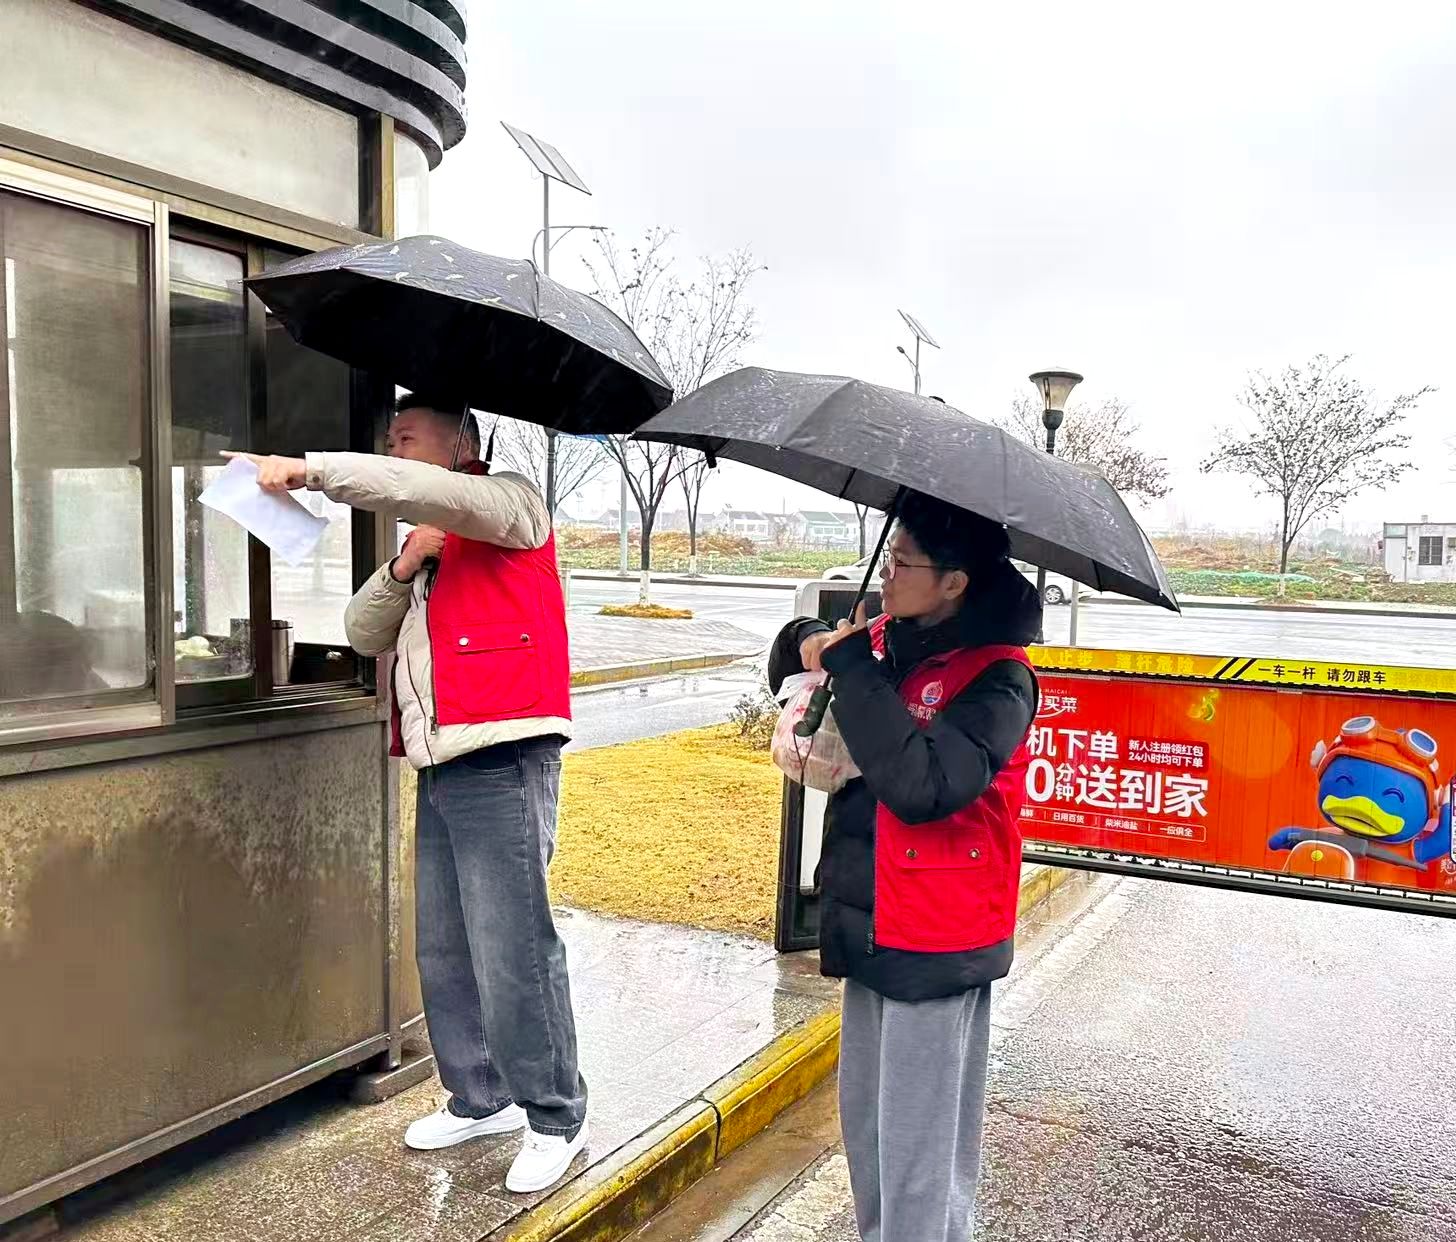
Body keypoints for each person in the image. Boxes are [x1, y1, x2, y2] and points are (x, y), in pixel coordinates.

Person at [228, 393, 588, 1194]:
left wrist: (311, 471)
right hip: (441, 759)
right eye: (389, 440)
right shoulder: (428, 543)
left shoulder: (512, 504)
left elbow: (419, 489)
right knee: (444, 945)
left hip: (505, 751)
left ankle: (556, 1114)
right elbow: (363, 631)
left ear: (460, 444)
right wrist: (403, 566)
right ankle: (480, 1096)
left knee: (513, 946)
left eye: (405, 436)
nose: (393, 449)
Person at [767, 492, 1041, 1242]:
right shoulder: (893, 637)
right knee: (869, 1128)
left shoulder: (998, 677)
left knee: (921, 1148)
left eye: (903, 564)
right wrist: (814, 643)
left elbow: (925, 787)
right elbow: (799, 657)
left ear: (954, 581)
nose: (886, 575)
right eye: (888, 561)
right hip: (871, 914)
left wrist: (856, 668)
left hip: (937, 929)